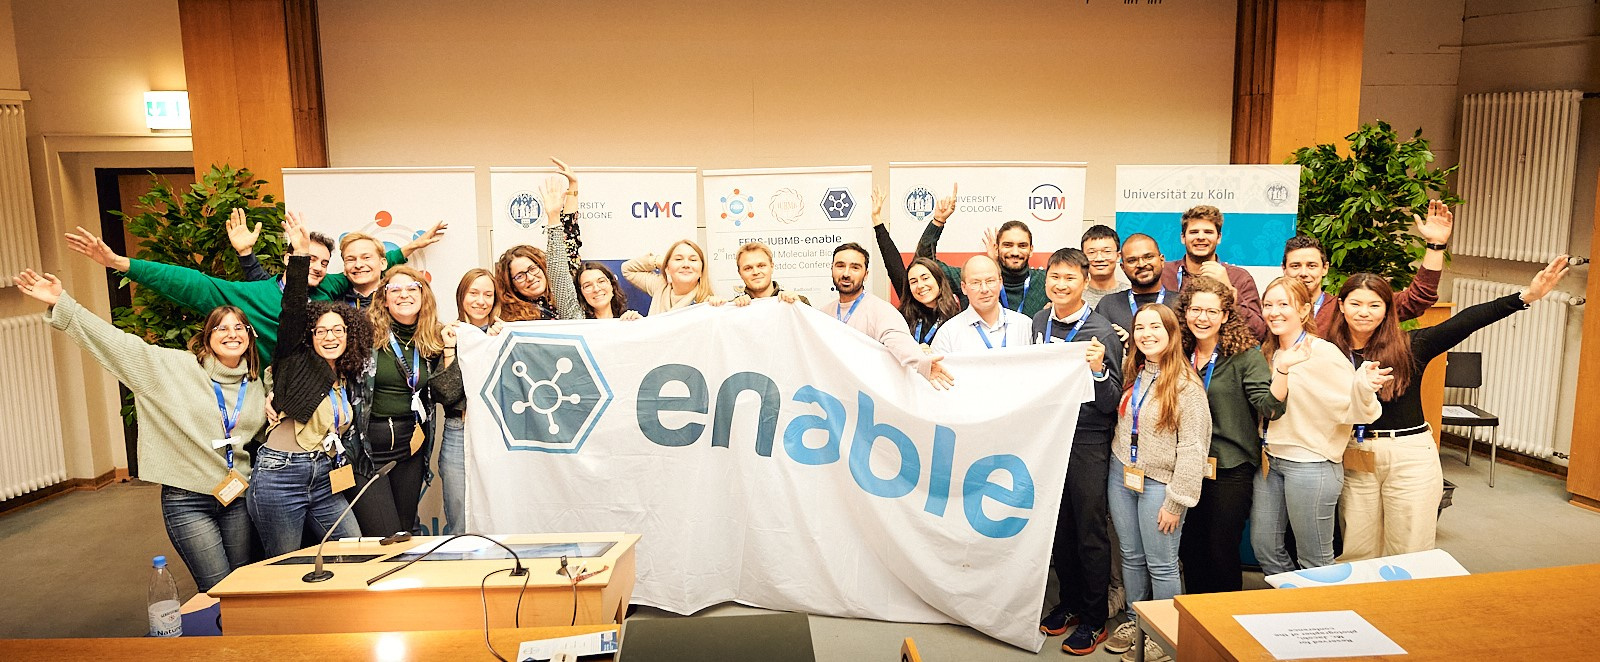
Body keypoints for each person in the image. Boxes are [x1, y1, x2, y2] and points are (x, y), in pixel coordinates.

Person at [13, 270, 266, 591]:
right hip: (188, 501)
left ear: (250, 335)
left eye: (239, 327)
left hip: (237, 498)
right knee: (218, 588)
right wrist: (63, 304)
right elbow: (116, 344)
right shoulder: (172, 369)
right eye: (221, 327)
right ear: (207, 338)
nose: (231, 333)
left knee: (243, 584)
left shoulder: (257, 384)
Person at [1330, 256, 1570, 561]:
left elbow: (1466, 321)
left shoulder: (1410, 345)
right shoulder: (1327, 351)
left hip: (1410, 455)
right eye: (1356, 303)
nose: (1364, 312)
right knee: (1356, 546)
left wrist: (1526, 297)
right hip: (1355, 452)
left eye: (1375, 305)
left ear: (1388, 310)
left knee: (1408, 548)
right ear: (1341, 305)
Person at [63, 216, 435, 362]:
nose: (318, 267)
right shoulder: (255, 295)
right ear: (290, 258)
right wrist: (121, 263)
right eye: (308, 257)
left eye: (324, 261)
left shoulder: (330, 290)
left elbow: (366, 267)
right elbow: (193, 284)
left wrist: (408, 249)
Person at [250, 220, 372, 556]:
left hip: (323, 475)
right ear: (310, 336)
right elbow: (292, 308)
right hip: (281, 475)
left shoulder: (346, 374)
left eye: (338, 331)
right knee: (282, 564)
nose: (330, 336)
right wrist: (301, 257)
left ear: (350, 336)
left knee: (353, 550)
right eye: (321, 331)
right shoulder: (295, 360)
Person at [1250, 277, 1388, 575]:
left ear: (1303, 310)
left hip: (1311, 465)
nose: (1274, 312)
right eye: (1268, 305)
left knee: (1315, 560)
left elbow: (1357, 409)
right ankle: (1294, 608)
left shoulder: (1322, 352)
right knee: (1264, 547)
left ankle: (1323, 619)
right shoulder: (1267, 352)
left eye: (1283, 304)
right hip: (1269, 463)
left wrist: (1364, 388)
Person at [1029, 248, 1125, 657]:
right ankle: (1067, 602)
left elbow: (1112, 400)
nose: (1060, 285)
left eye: (1070, 278)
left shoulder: (1101, 331)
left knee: (1089, 529)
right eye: (1054, 277)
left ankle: (1092, 618)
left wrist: (1100, 370)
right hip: (1049, 435)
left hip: (1087, 439)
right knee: (1058, 527)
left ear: (1085, 282)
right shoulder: (1038, 321)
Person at [1105, 303, 1210, 662]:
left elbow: (1194, 447)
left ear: (1172, 334)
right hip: (1122, 477)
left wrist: (1176, 501)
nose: (1147, 334)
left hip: (1160, 486)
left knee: (1162, 563)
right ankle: (1136, 621)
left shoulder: (1187, 385)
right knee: (1131, 557)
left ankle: (1165, 635)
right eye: (1140, 328)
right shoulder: (1134, 373)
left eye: (1156, 328)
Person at [1173, 275, 1285, 596]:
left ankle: (1224, 624)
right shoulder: (1180, 354)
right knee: (1190, 550)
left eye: (1212, 311)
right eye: (1196, 310)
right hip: (1186, 467)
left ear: (1225, 316)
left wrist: (1285, 373)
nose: (1202, 318)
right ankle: (1196, 622)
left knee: (1220, 551)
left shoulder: (1245, 356)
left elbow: (1269, 407)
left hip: (1230, 469)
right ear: (1186, 312)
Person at [351, 266, 465, 538]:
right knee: (384, 535)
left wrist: (450, 349)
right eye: (396, 290)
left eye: (412, 288)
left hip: (410, 447)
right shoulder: (364, 334)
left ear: (423, 295)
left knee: (405, 531)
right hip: (368, 450)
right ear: (384, 298)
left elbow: (446, 394)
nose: (404, 295)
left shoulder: (435, 338)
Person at [1283, 200, 1453, 334]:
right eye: (1296, 266)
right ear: (1284, 269)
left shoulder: (1346, 308)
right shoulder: (1271, 309)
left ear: (1325, 268)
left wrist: (1435, 246)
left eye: (1311, 265)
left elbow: (1416, 299)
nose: (1303, 273)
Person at [816, 242, 953, 389]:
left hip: (866, 397)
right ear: (832, 269)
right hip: (832, 394)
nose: (846, 273)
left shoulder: (881, 311)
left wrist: (922, 364)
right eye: (840, 266)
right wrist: (791, 306)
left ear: (866, 274)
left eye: (855, 267)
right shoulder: (822, 314)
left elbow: (899, 341)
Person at [437, 267, 505, 536]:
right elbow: (446, 394)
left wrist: (496, 344)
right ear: (461, 297)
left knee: (500, 510)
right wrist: (450, 349)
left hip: (498, 434)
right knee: (460, 517)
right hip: (459, 431)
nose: (481, 301)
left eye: (488, 294)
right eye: (473, 293)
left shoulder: (504, 334)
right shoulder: (447, 333)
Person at [915, 184, 1048, 316]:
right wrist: (938, 221)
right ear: (996, 248)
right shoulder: (974, 279)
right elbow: (924, 263)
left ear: (1031, 250)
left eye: (1022, 246)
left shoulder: (1046, 281)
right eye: (1007, 245)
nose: (1015, 252)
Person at [1158, 206, 1266, 339]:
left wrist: (1229, 291)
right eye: (1194, 232)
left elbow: (1259, 333)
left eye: (1208, 232)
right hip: (1172, 357)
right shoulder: (1164, 273)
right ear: (1183, 237)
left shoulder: (1239, 278)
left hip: (1222, 357)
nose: (1201, 237)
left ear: (1219, 237)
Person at [495, 175, 584, 322]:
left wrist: (572, 188)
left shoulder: (564, 292)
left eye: (532, 269)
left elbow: (569, 238)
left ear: (543, 267)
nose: (530, 278)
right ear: (513, 286)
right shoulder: (512, 319)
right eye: (520, 276)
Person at [929, 255, 1034, 353]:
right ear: (964, 287)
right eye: (975, 283)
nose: (984, 289)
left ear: (1000, 282)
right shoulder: (948, 333)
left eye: (990, 281)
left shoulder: (1025, 325)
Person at [1096, 234, 1177, 339]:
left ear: (1161, 261)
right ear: (1123, 267)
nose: (1141, 264)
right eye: (1132, 260)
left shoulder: (1181, 303)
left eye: (1148, 257)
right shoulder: (1108, 305)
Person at [730, 242, 808, 306]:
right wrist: (733, 311)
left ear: (772, 267)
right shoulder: (733, 307)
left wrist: (800, 307)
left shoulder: (799, 301)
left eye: (761, 266)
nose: (756, 272)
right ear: (740, 273)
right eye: (748, 268)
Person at [1082, 224, 1129, 308]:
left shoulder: (1130, 294)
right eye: (1092, 252)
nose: (1099, 258)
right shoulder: (1075, 296)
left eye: (1107, 251)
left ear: (1118, 256)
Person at [577, 262, 643, 320]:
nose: (596, 289)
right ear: (581, 294)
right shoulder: (578, 326)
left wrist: (639, 324)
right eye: (588, 286)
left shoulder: (627, 320)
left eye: (601, 281)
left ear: (612, 286)